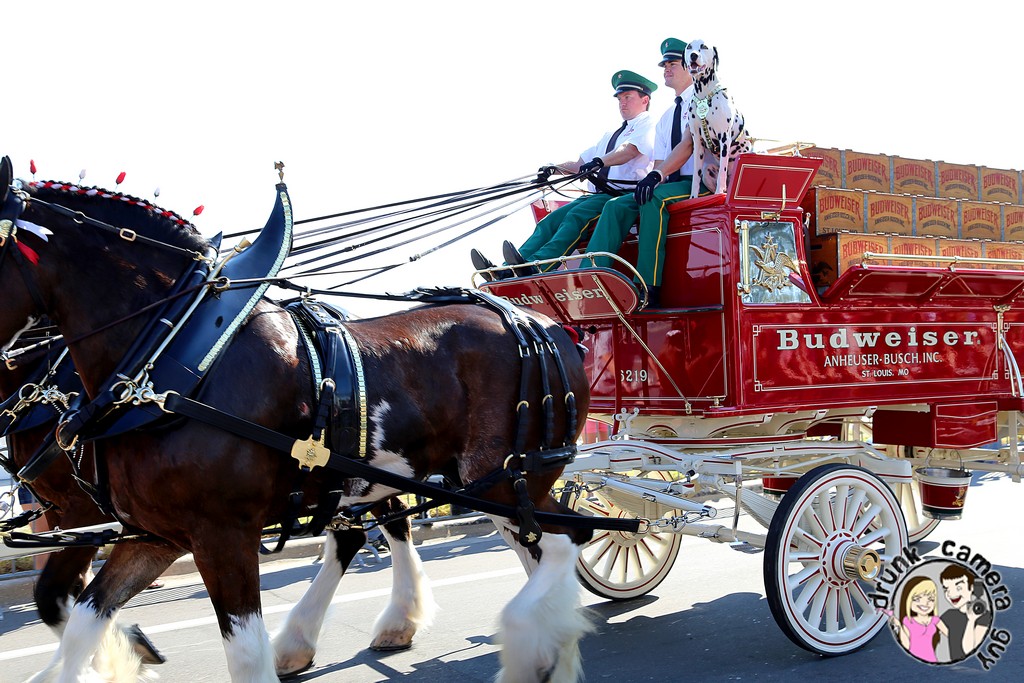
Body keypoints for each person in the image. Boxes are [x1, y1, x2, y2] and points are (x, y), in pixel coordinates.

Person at [471, 69, 657, 279]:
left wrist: (599, 162)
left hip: (622, 194)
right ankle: (508, 269)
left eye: (628, 97)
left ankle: (537, 266)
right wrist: (553, 169)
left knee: (575, 217)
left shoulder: (648, 124)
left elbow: (630, 151)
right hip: (599, 196)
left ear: (645, 100)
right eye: (620, 99)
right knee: (550, 221)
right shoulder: (611, 134)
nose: (622, 103)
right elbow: (580, 164)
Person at [582, 38, 696, 308]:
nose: (666, 69)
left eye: (673, 64)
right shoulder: (667, 116)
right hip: (671, 182)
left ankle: (647, 286)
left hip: (698, 182)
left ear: (691, 67)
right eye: (665, 65)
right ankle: (589, 277)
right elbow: (660, 162)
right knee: (616, 205)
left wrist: (655, 178)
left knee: (652, 199)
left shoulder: (702, 103)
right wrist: (654, 178)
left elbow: (688, 145)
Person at [939, 565, 990, 661]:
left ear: (971, 588)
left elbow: (968, 650)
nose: (951, 593)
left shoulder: (983, 616)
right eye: (946, 589)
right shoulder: (949, 615)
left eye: (958, 588)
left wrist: (971, 620)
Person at [890, 576, 946, 663]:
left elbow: (951, 635)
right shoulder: (907, 621)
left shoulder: (935, 620)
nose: (925, 603)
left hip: (931, 659)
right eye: (917, 599)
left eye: (931, 599)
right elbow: (906, 645)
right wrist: (899, 626)